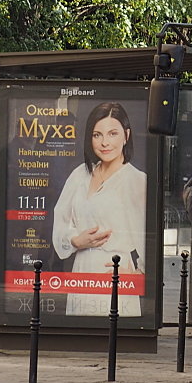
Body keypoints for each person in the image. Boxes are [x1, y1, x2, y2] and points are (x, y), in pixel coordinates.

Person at [51, 101, 147, 317]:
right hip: (82, 269)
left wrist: (138, 273)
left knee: (113, 340)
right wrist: (76, 240)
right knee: (81, 341)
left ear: (126, 135)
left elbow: (149, 235)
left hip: (113, 272)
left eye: (113, 133)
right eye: (97, 135)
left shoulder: (136, 180)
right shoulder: (80, 175)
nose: (105, 142)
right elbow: (60, 220)